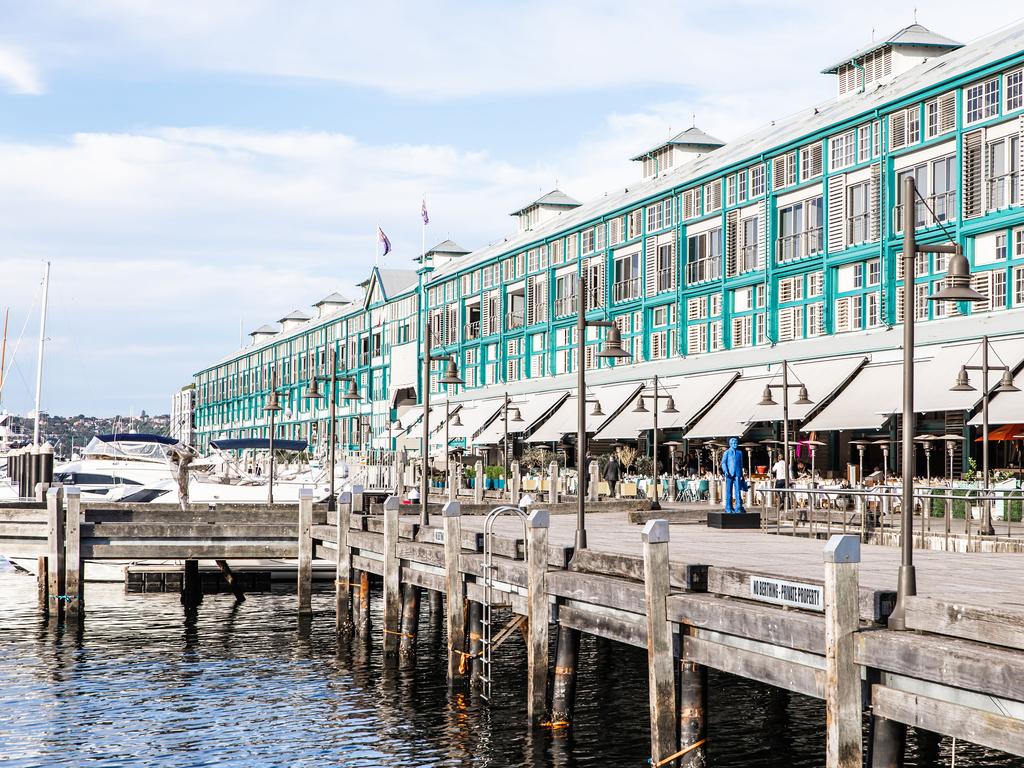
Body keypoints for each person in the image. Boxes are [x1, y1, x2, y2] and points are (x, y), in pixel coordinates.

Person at [721, 437, 747, 514]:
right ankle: (728, 507)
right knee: (728, 491)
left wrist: (742, 474)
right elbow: (723, 463)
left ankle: (738, 506)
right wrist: (725, 470)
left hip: (738, 474)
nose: (735, 444)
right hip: (729, 474)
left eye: (736, 443)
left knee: (738, 491)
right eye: (734, 443)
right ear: (730, 444)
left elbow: (741, 464)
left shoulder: (740, 453)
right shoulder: (727, 452)